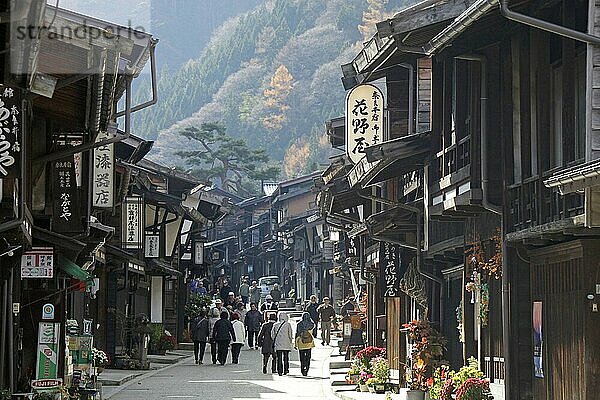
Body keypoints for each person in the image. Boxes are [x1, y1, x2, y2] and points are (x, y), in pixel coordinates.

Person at [271, 311, 293, 376]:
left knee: (279, 358)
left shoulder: (275, 325)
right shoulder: (288, 324)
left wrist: (275, 340)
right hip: (286, 344)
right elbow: (290, 334)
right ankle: (286, 370)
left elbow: (272, 334)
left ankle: (279, 371)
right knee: (286, 357)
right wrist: (290, 340)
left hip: (278, 344)